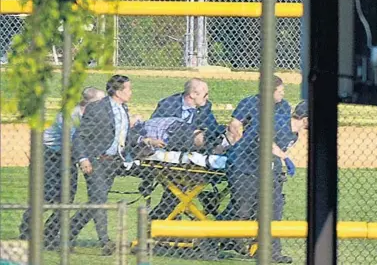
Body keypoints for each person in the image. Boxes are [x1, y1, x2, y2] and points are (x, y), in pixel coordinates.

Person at [217, 75, 303, 264]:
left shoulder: (283, 108)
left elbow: (279, 139)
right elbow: (236, 126)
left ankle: (269, 251)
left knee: (274, 208)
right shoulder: (250, 103)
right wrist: (240, 145)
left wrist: (279, 159)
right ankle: (212, 240)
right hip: (245, 163)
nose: (283, 93)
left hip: (266, 166)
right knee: (242, 210)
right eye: (280, 90)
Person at [18, 87, 105, 250]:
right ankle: (26, 234)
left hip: (69, 157)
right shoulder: (71, 116)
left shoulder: (93, 116)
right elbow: (75, 142)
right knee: (47, 196)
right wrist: (87, 158)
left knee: (67, 198)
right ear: (91, 103)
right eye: (102, 102)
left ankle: (50, 237)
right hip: (50, 155)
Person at [69, 75, 144, 256]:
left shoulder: (123, 108)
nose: (131, 93)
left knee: (95, 202)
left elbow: (125, 137)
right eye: (129, 89)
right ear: (118, 92)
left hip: (113, 162)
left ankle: (67, 233)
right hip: (95, 161)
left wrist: (145, 139)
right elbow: (79, 136)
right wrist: (83, 159)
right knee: (99, 201)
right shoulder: (97, 108)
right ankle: (105, 242)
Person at [147, 78, 226, 220]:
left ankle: (163, 222)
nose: (208, 97)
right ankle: (163, 221)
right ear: (193, 94)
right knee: (177, 190)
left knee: (178, 191)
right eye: (205, 94)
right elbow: (156, 126)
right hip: (169, 148)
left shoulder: (205, 107)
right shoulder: (169, 105)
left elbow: (211, 130)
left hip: (191, 152)